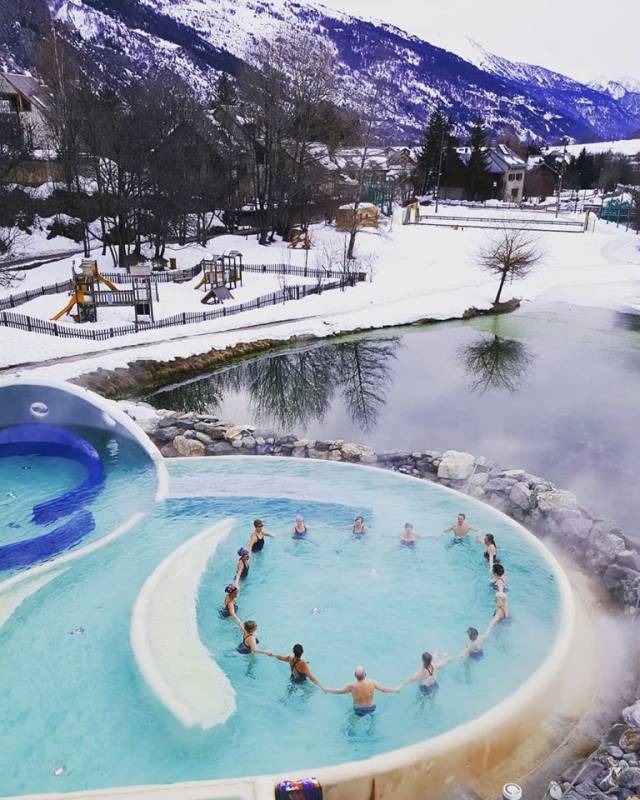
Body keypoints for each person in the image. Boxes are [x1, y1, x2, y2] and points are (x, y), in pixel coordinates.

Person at [323, 665, 398, 715]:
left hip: (359, 709)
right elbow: (384, 690)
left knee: (352, 723)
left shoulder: (351, 686)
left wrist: (326, 689)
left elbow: (338, 691)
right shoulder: (372, 682)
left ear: (355, 676)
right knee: (372, 722)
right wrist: (395, 690)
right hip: (371, 707)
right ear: (365, 674)